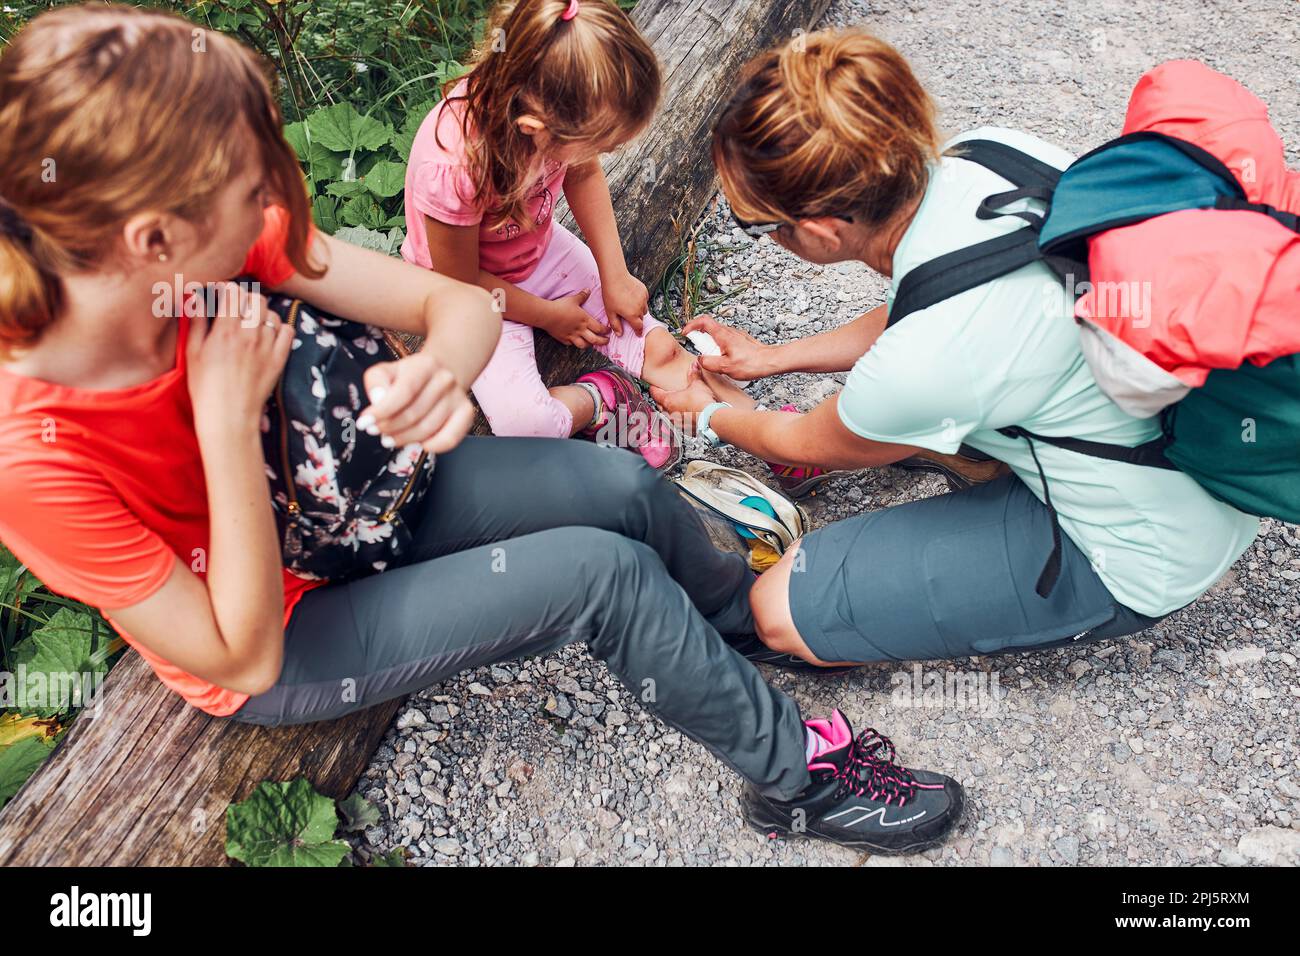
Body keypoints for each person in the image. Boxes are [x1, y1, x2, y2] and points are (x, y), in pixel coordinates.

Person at [0, 4, 963, 853]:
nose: (272, 206)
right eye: (248, 187)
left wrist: (439, 369)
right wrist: (219, 427)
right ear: (151, 240)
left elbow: (452, 303)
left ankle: (734, 628)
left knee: (623, 489)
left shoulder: (214, 247)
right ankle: (796, 781)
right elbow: (236, 654)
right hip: (286, 621)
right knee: (604, 577)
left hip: (369, 497)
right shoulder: (31, 455)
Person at [652, 28, 1259, 669]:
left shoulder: (928, 363)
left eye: (760, 226)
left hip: (1138, 549)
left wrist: (707, 414)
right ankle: (976, 453)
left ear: (822, 231)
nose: (761, 237)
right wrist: (775, 356)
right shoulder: (988, 154)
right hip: (1197, 447)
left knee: (778, 612)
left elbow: (808, 441)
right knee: (943, 397)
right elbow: (933, 295)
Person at [400, 0, 838, 492]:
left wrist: (615, 274)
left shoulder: (547, 112)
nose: (604, 156)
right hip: (475, 298)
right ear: (535, 130)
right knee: (526, 427)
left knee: (657, 347)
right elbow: (459, 281)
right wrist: (547, 316)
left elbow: (581, 172)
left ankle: (778, 438)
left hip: (543, 257)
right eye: (602, 145)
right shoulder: (453, 167)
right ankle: (603, 400)